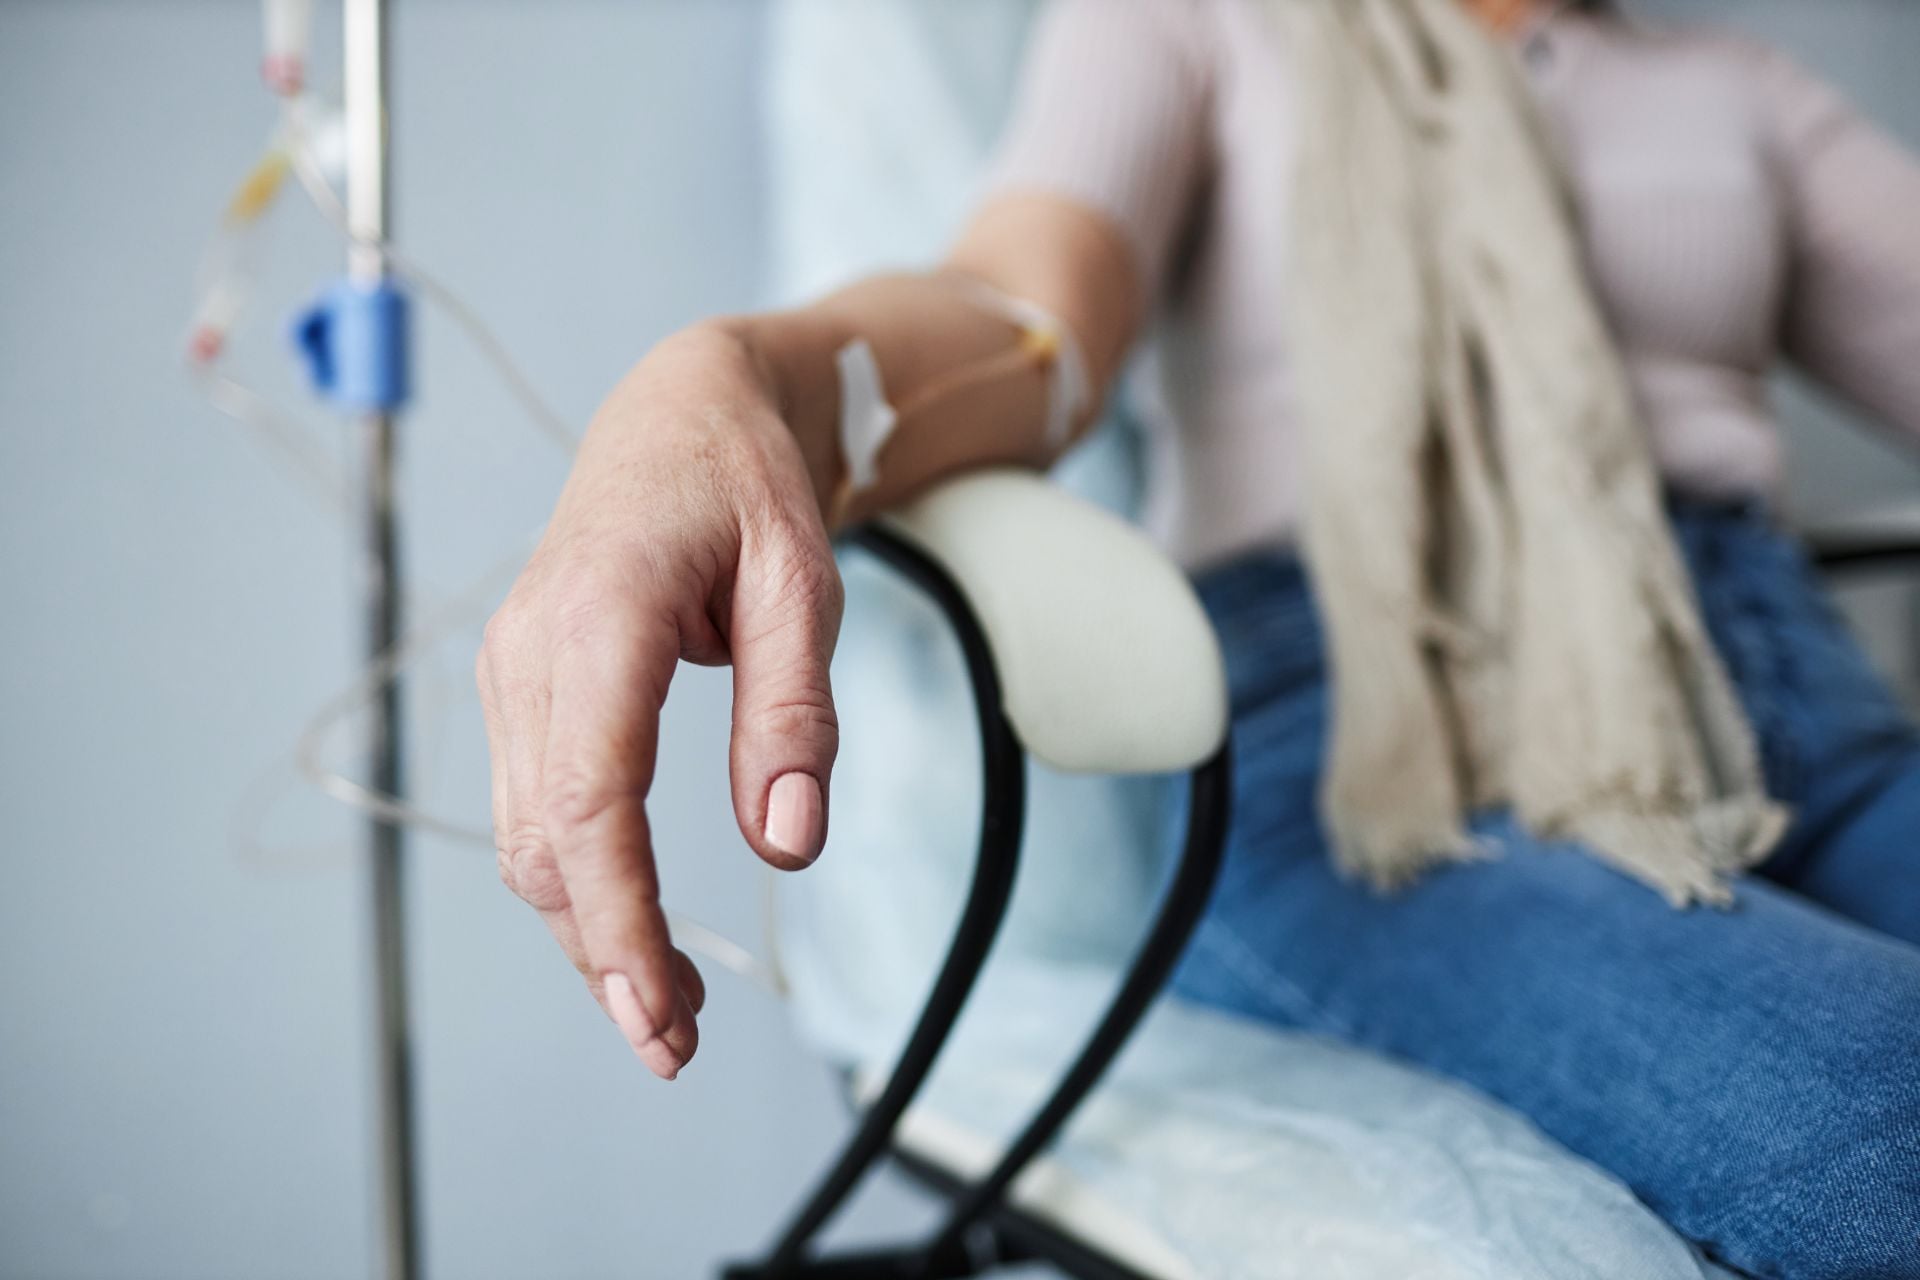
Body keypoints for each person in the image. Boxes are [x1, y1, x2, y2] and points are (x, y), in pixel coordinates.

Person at [476, 0, 1920, 1273]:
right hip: (1379, 771)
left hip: (1791, 706)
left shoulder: (1737, 89)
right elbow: (1010, 321)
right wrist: (725, 387)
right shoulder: (1195, 23)